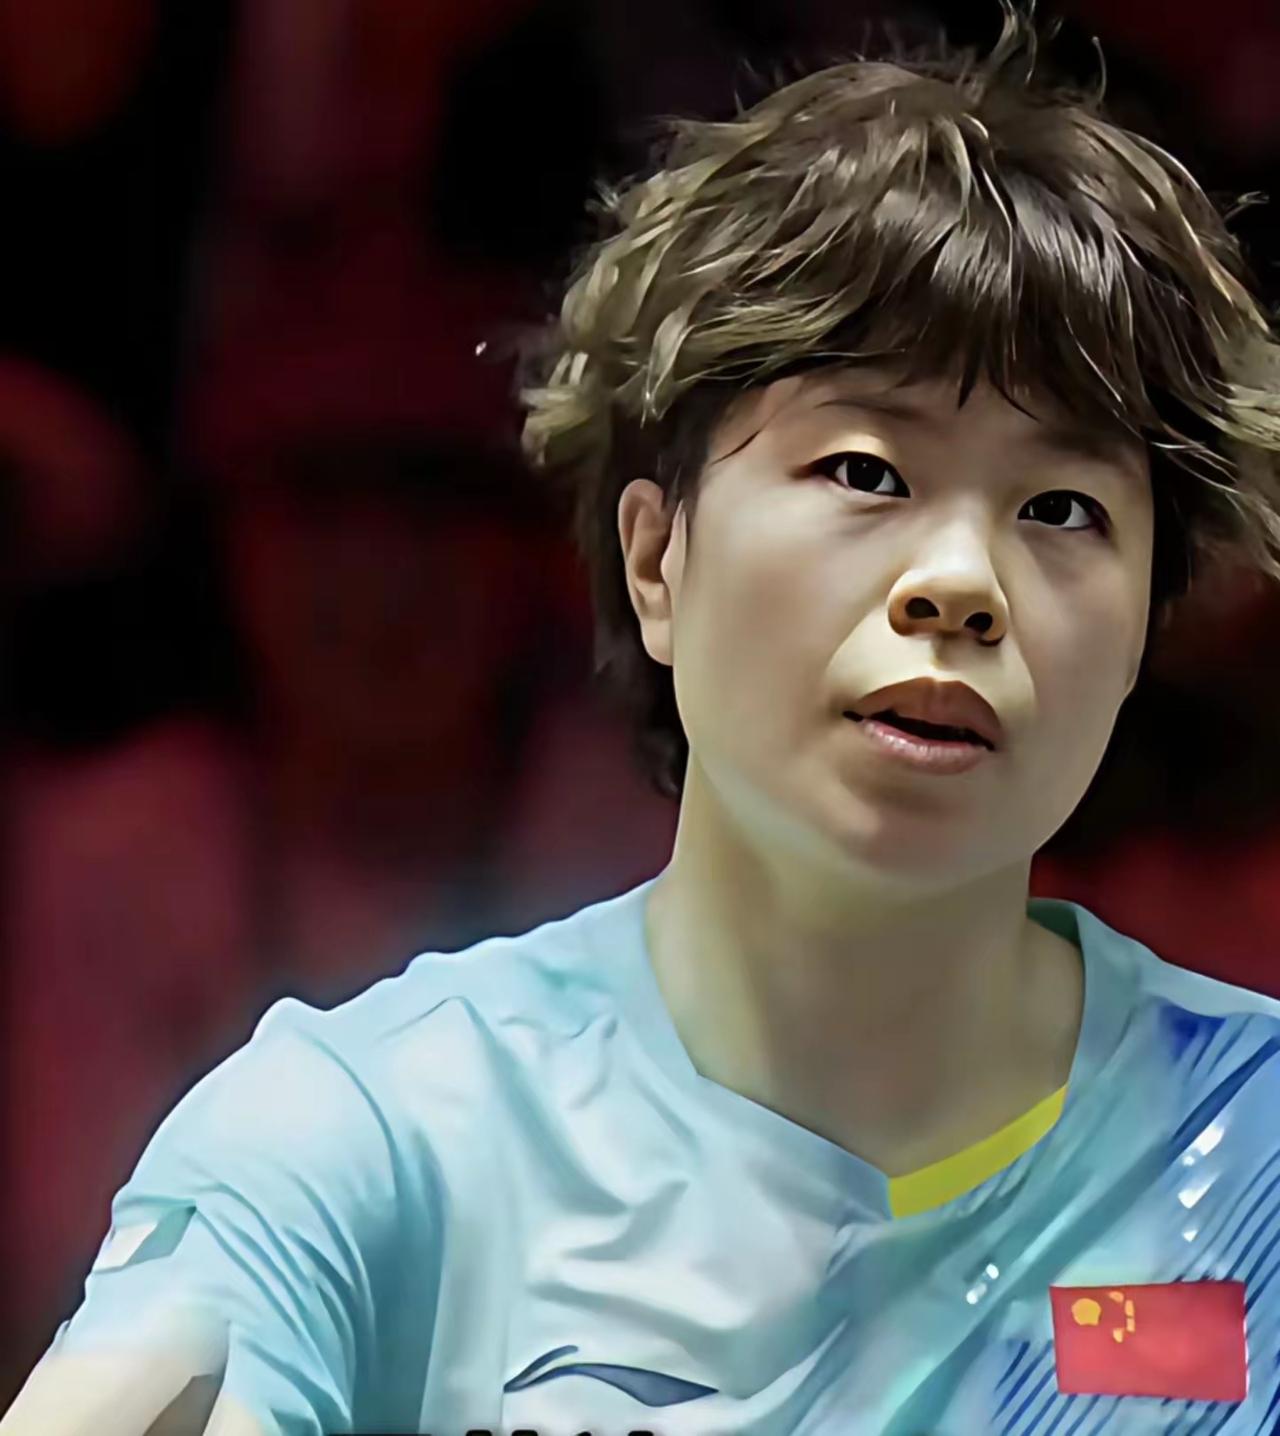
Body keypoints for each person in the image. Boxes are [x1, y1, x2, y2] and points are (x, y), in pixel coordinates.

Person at [7, 8, 1280, 1433]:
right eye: (867, 471)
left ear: (1144, 628)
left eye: (1062, 507)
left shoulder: (1255, 1153)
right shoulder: (375, 1145)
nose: (961, 584)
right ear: (657, 559)